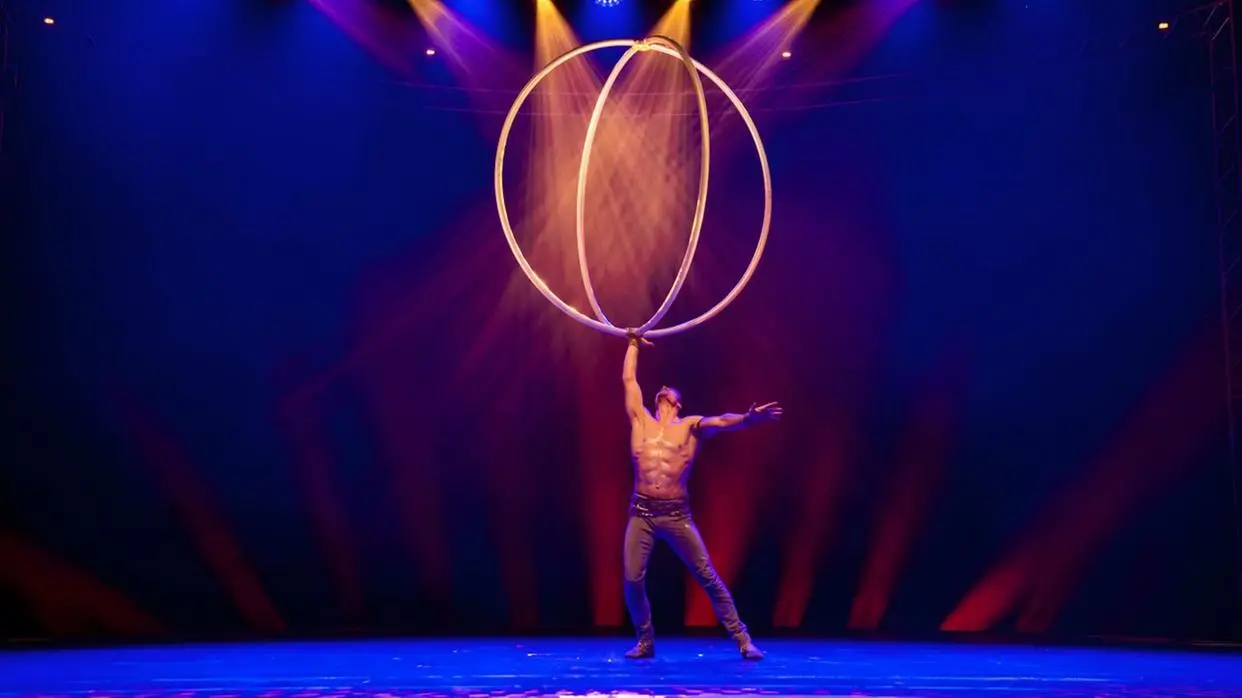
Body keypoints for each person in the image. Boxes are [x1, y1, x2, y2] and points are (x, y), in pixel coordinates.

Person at [620, 330, 781, 660]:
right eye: (660, 389)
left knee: (706, 575)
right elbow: (628, 379)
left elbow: (722, 422)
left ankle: (743, 639)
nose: (663, 388)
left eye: (669, 391)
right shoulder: (640, 421)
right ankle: (645, 640)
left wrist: (748, 418)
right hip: (642, 513)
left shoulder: (690, 426)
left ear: (677, 403)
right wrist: (633, 344)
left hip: (676, 515)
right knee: (632, 579)